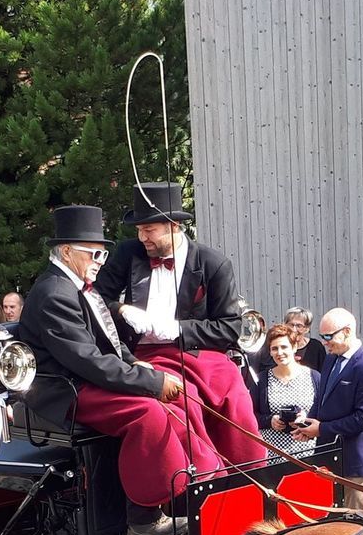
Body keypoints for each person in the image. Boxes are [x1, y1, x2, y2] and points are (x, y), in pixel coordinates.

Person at [18, 205, 226, 535]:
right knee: (147, 412)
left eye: (103, 253)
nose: (101, 260)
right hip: (65, 389)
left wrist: (137, 363)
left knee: (182, 398)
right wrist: (152, 383)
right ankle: (143, 516)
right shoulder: (54, 292)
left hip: (85, 377)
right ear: (68, 251)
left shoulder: (81, 286)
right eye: (95, 253)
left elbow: (109, 341)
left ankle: (202, 481)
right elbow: (87, 360)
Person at [90, 181, 267, 472]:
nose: (142, 236)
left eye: (149, 230)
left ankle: (250, 473)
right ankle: (204, 476)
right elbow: (96, 299)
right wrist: (121, 308)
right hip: (145, 356)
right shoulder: (127, 254)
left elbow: (230, 328)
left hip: (198, 352)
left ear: (173, 226)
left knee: (234, 396)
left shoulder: (213, 264)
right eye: (139, 230)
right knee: (182, 400)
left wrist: (179, 329)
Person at [296, 307, 363, 512]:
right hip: (328, 457)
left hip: (355, 463)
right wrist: (307, 424)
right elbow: (321, 399)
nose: (324, 341)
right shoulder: (331, 359)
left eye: (329, 336)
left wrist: (322, 429)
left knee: (357, 521)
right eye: (322, 336)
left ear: (347, 331)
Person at [251, 324, 319, 460]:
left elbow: (324, 414)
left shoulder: (314, 377)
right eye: (274, 348)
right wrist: (270, 420)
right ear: (269, 352)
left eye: (284, 347)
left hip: (308, 454)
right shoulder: (261, 380)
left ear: (294, 348)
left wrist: (304, 420)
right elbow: (250, 415)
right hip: (272, 456)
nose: (279, 353)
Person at [283, 307, 326, 371]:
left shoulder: (316, 347)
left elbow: (323, 372)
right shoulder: (277, 345)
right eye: (291, 325)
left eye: (299, 326)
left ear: (307, 329)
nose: (294, 329)